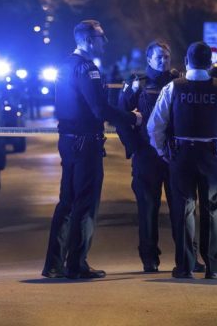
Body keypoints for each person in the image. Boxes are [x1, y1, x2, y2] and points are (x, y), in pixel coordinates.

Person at [42, 20, 142, 279]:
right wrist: (132, 118)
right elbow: (100, 110)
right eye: (100, 36)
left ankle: (53, 264)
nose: (104, 41)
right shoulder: (88, 69)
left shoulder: (64, 65)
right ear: (87, 40)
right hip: (86, 142)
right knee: (85, 204)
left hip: (68, 139)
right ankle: (77, 264)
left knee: (66, 202)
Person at [147, 41, 217, 279]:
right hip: (212, 155)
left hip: (181, 155)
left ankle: (184, 266)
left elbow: (155, 125)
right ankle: (214, 266)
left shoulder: (173, 88)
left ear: (186, 61)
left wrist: (163, 151)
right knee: (212, 210)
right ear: (210, 63)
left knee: (183, 210)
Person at [117, 40, 199, 273]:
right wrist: (135, 147)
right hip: (147, 157)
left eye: (166, 56)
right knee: (148, 209)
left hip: (174, 157)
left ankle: (187, 257)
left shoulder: (180, 83)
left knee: (182, 209)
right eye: (159, 57)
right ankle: (149, 258)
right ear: (149, 59)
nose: (163, 60)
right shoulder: (137, 84)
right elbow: (122, 119)